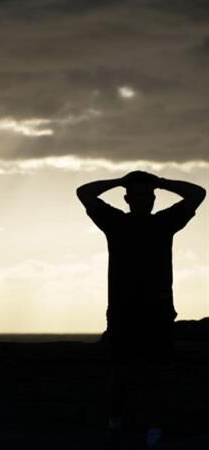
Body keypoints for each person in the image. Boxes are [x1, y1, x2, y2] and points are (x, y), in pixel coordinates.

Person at [76, 171, 205, 449]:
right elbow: (84, 192)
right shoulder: (117, 222)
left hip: (156, 311)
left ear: (153, 198)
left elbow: (198, 193)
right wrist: (123, 180)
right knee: (121, 374)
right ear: (128, 199)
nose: (145, 200)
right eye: (140, 195)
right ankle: (116, 424)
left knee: (155, 374)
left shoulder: (163, 222)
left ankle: (152, 429)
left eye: (149, 195)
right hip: (125, 311)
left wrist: (158, 181)